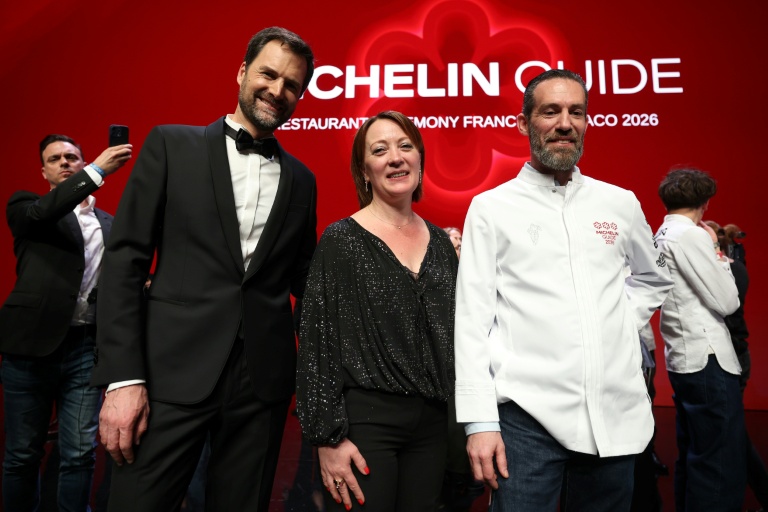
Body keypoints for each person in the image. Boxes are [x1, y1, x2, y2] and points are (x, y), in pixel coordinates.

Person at [90, 27, 317, 511]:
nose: (278, 90)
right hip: (167, 376)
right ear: (242, 72)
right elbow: (125, 262)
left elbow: (306, 281)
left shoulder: (302, 179)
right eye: (268, 74)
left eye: (292, 84)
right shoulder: (171, 145)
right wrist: (123, 379)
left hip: (261, 387)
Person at [454, 69, 674, 512]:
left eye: (576, 112)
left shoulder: (619, 202)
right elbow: (472, 320)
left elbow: (653, 278)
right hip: (526, 420)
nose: (565, 123)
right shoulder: (492, 208)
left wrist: (620, 319)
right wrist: (479, 422)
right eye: (550, 111)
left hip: (613, 416)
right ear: (524, 123)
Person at [296, 111, 458, 512]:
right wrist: (328, 439)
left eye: (405, 147)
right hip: (364, 427)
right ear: (364, 171)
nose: (396, 158)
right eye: (380, 150)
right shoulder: (341, 240)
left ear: (420, 160)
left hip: (435, 428)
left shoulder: (442, 245)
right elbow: (317, 343)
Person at [0, 134, 131, 511]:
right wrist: (97, 170)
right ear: (43, 172)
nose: (64, 162)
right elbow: (44, 213)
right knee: (23, 454)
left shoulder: (110, 224)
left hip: (85, 349)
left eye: (72, 157)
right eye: (54, 158)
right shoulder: (27, 207)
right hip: (29, 349)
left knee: (79, 453)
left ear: (81, 162)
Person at [654, 169, 745, 511]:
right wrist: (718, 251)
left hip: (685, 355)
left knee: (696, 455)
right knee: (719, 463)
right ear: (705, 203)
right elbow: (728, 302)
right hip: (707, 357)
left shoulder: (661, 232)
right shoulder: (690, 236)